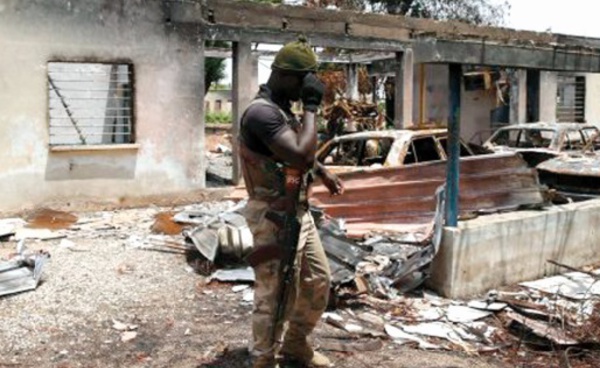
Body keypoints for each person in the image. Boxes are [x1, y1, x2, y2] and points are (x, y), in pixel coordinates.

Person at [238, 36, 344, 368]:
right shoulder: (260, 114)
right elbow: (299, 153)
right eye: (305, 81)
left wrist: (323, 173)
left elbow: (298, 151)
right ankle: (263, 360)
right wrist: (311, 107)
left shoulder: (281, 110)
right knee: (273, 294)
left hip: (297, 211)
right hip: (272, 216)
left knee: (316, 279)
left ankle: (296, 346)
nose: (308, 88)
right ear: (284, 76)